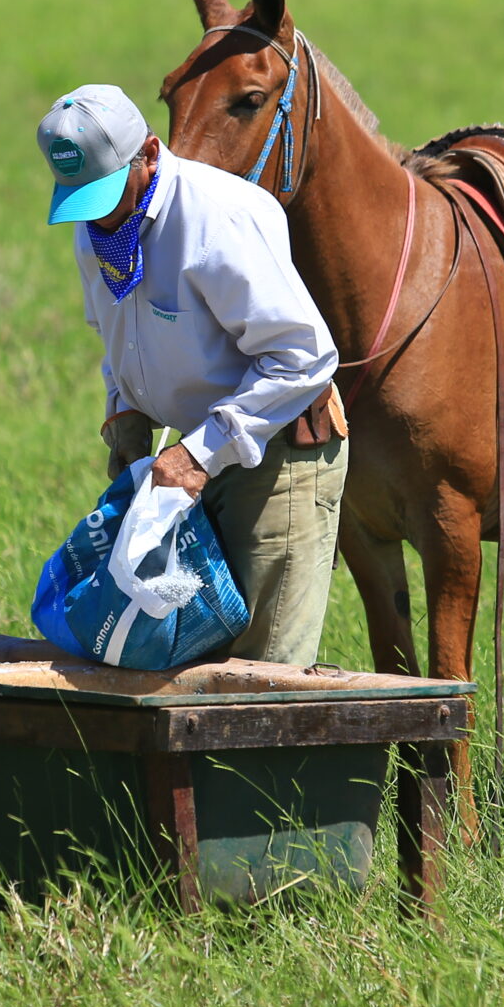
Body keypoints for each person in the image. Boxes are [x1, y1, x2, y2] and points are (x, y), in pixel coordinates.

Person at [38, 83, 348, 666]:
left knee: (263, 670)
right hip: (194, 458)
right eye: (80, 199)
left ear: (150, 153)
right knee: (186, 652)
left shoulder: (216, 221)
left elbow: (303, 355)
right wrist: (124, 413)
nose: (97, 214)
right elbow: (118, 337)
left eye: (105, 193)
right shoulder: (100, 227)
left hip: (277, 453)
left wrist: (198, 454)